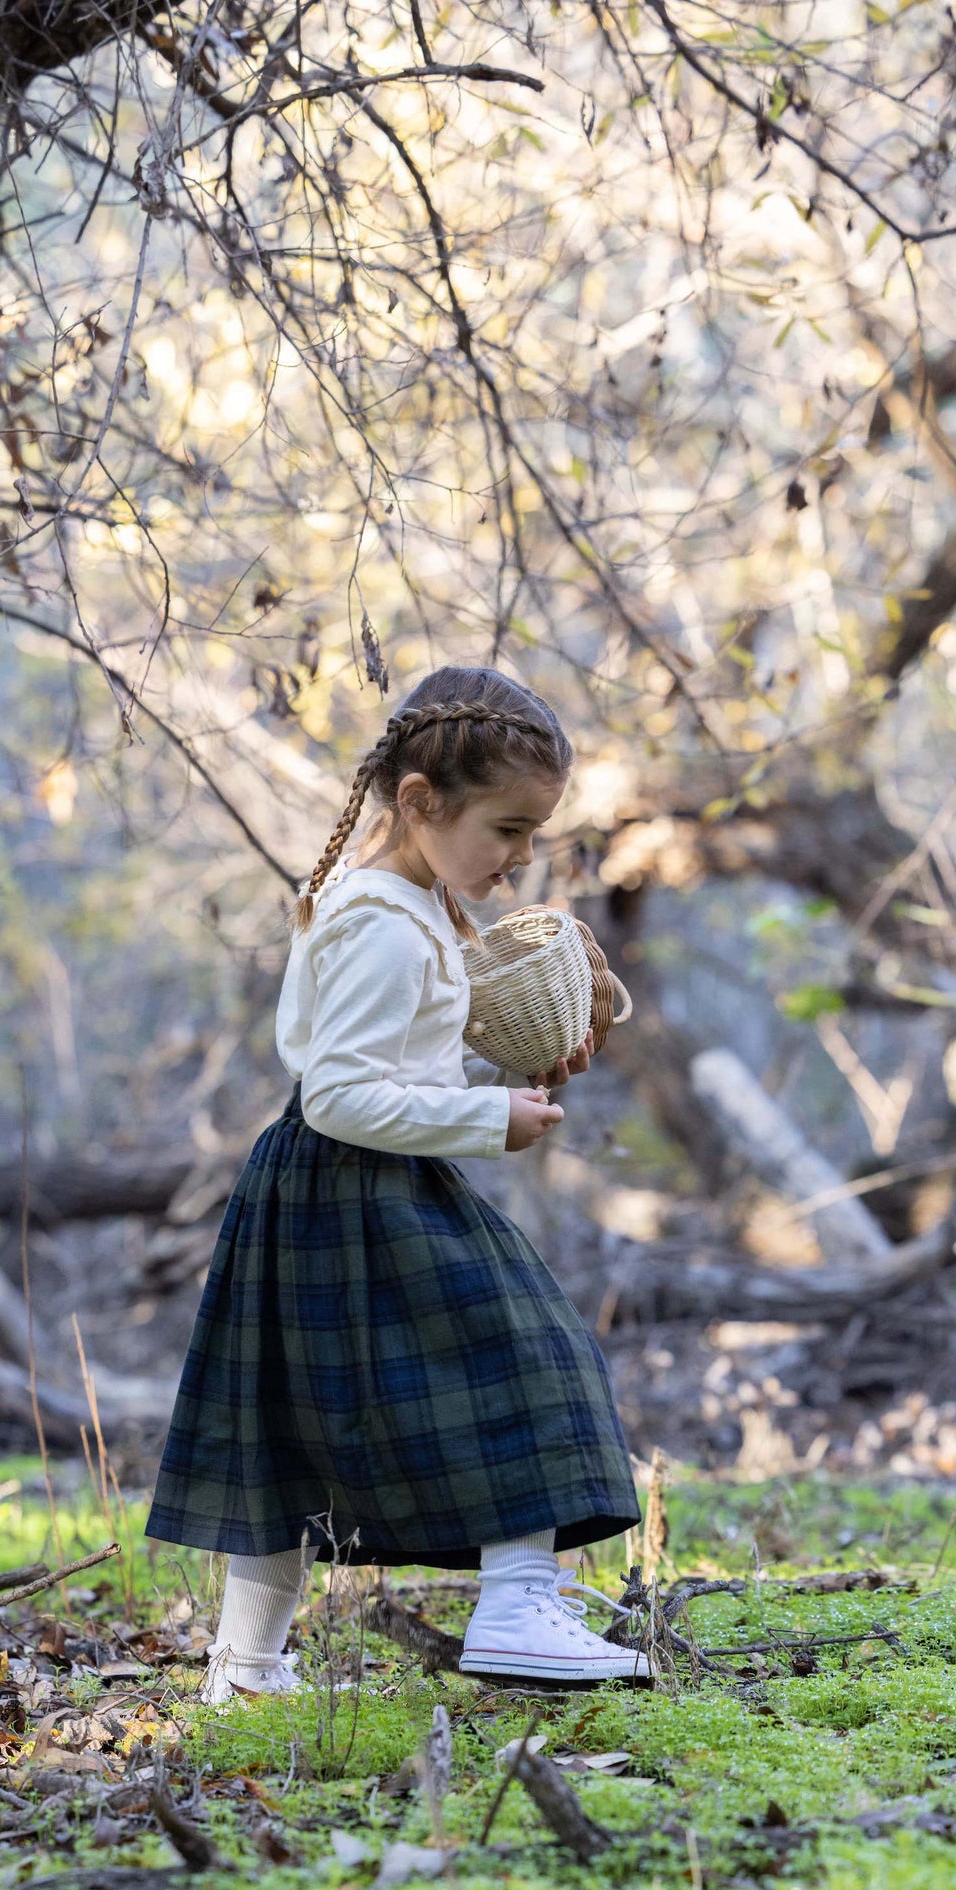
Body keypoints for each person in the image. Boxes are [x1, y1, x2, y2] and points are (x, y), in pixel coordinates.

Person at [145, 663, 643, 1696]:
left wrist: (514, 1052)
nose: (520, 857)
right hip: (355, 1188)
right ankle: (514, 1609)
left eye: (530, 834)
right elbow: (337, 1093)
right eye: (506, 830)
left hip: (349, 1187)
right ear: (419, 802)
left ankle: (243, 1672)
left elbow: (400, 1057)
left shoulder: (411, 901)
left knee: (290, 1435)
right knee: (530, 1358)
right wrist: (484, 1117)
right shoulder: (379, 919)